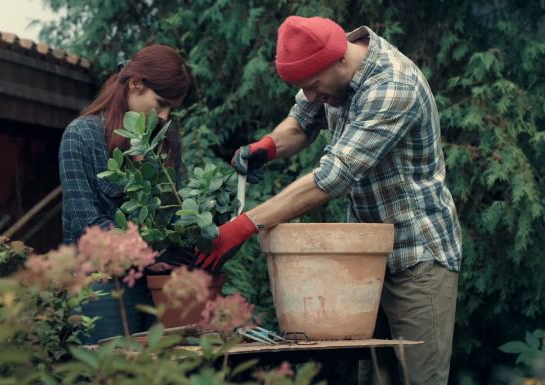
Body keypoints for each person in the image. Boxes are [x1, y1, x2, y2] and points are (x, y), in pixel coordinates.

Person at [196, 16, 461, 385]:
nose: (310, 95)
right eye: (302, 87)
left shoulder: (391, 86)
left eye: (314, 86)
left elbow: (331, 179)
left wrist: (243, 226)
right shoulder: (328, 71)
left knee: (418, 378)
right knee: (371, 377)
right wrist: (266, 148)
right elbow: (299, 124)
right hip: (366, 258)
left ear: (340, 60)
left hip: (416, 255)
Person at [59, 44, 193, 344]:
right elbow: (86, 224)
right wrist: (143, 252)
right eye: (160, 104)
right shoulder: (80, 136)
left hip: (156, 279)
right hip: (101, 281)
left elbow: (174, 214)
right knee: (116, 370)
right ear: (135, 84)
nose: (163, 116)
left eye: (171, 108)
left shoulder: (166, 140)